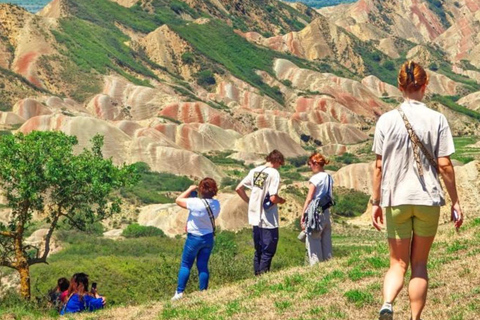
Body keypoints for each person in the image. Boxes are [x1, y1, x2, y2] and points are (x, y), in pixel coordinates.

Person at [371, 61, 463, 320]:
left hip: (396, 199)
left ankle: (388, 303)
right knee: (419, 265)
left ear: (399, 87)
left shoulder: (386, 121)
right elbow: (444, 165)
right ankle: (414, 318)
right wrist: (455, 201)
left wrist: (375, 201)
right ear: (425, 85)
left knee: (397, 264)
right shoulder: (437, 119)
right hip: (427, 201)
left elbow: (379, 167)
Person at [236, 149, 286, 276]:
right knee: (268, 251)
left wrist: (250, 201)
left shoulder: (255, 171)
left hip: (254, 217)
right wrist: (281, 201)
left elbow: (239, 188)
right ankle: (263, 278)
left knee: (258, 250)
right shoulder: (274, 173)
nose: (280, 167)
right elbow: (273, 197)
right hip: (268, 218)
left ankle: (257, 277)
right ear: (277, 161)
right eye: (280, 164)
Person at [172, 177, 220, 301]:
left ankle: (179, 292)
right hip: (208, 237)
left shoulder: (195, 203)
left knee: (186, 265)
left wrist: (190, 189)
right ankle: (203, 291)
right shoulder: (216, 204)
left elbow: (178, 200)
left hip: (194, 238)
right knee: (203, 265)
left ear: (201, 189)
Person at [300, 153, 333, 265]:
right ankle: (329, 266)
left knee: (313, 241)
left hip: (315, 213)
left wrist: (303, 214)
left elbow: (309, 199)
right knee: (326, 242)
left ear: (316, 164)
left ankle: (316, 268)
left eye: (310, 164)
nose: (309, 167)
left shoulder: (315, 178)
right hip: (326, 211)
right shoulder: (328, 177)